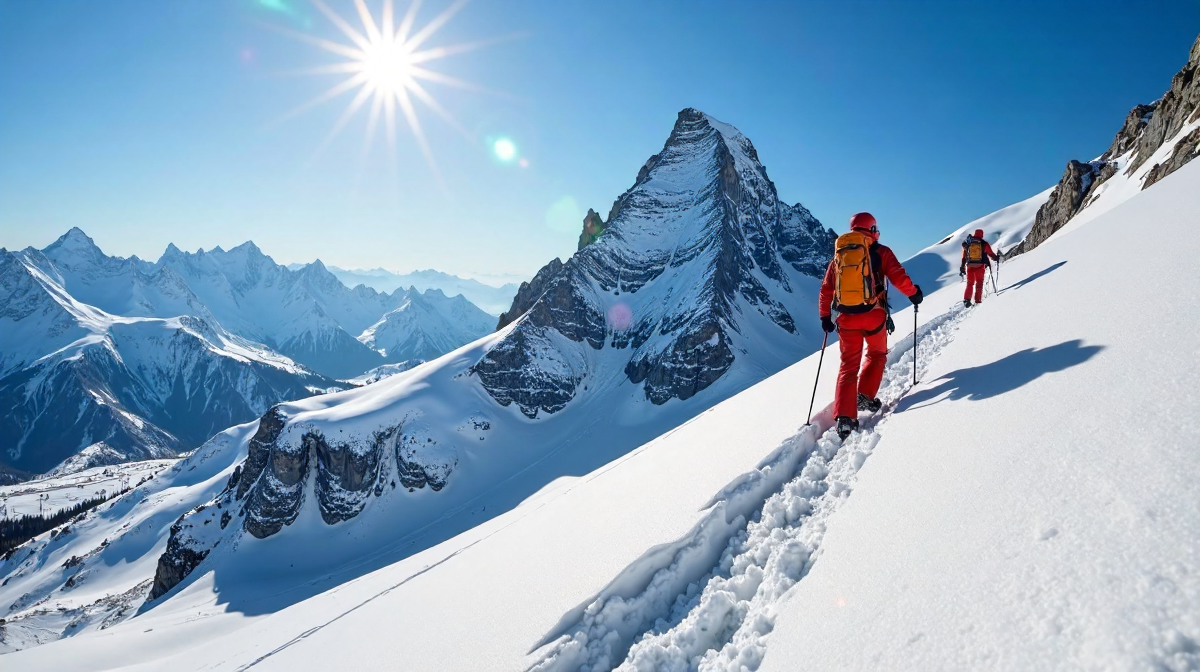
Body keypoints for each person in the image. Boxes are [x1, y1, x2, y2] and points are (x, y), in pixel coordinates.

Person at [819, 212, 923, 440]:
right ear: (872, 229)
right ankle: (865, 395)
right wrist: (913, 294)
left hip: (846, 319)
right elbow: (899, 277)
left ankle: (845, 418)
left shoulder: (840, 255)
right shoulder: (881, 252)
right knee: (876, 354)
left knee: (848, 366)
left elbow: (827, 289)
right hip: (874, 315)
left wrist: (825, 317)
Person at [960, 229, 1001, 306]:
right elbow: (991, 254)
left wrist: (962, 266)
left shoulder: (968, 243)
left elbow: (964, 257)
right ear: (982, 235)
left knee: (970, 284)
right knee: (979, 283)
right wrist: (996, 258)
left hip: (969, 266)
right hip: (980, 266)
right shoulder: (984, 243)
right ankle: (977, 301)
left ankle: (967, 299)